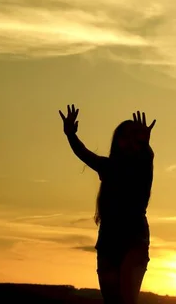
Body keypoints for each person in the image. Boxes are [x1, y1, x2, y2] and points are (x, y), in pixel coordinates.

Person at [59, 105, 156, 304]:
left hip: (134, 240)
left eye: (133, 137)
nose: (129, 141)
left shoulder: (142, 167)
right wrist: (70, 135)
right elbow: (83, 153)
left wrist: (144, 143)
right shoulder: (108, 166)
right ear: (117, 141)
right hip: (108, 242)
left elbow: (147, 157)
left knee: (127, 300)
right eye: (124, 136)